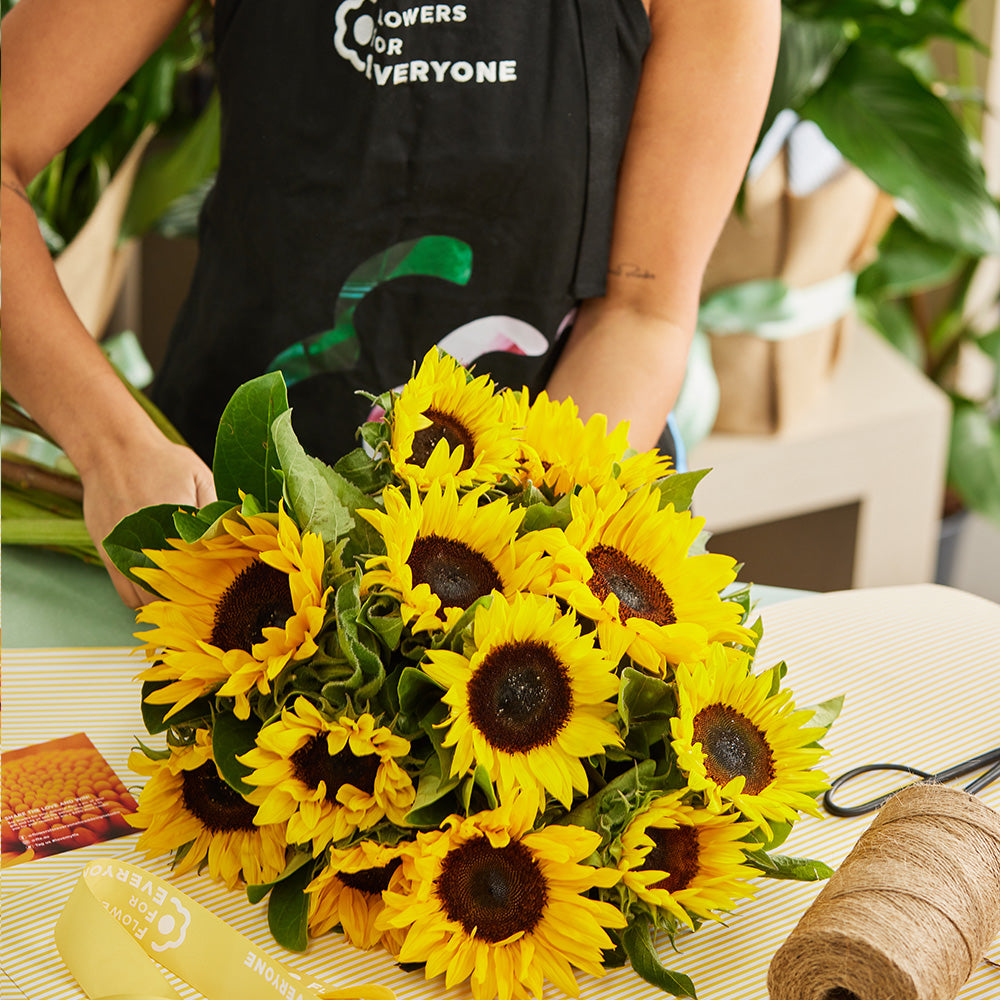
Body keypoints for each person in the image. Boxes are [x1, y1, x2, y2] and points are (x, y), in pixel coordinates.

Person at [1, 0, 781, 608]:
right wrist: (111, 448)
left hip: (538, 537)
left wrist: (508, 569)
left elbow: (641, 312)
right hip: (227, 540)